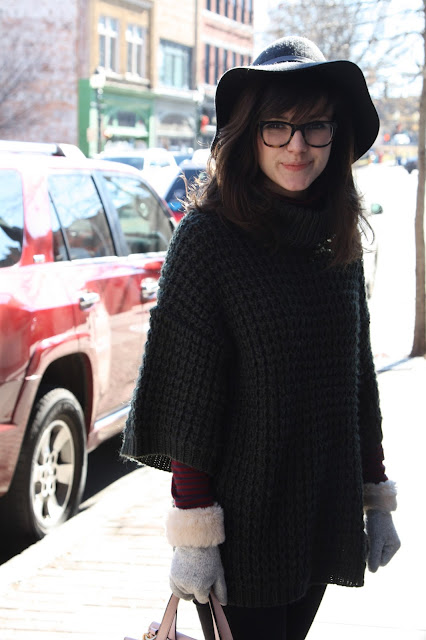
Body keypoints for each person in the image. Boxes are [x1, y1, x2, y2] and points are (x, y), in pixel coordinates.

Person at [121, 36, 401, 640]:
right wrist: (194, 532)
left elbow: (358, 379)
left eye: (315, 127)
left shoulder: (338, 240)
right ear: (249, 134)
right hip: (243, 528)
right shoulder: (208, 242)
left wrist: (375, 494)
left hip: (322, 509)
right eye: (278, 126)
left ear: (337, 135)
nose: (297, 146)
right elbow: (188, 402)